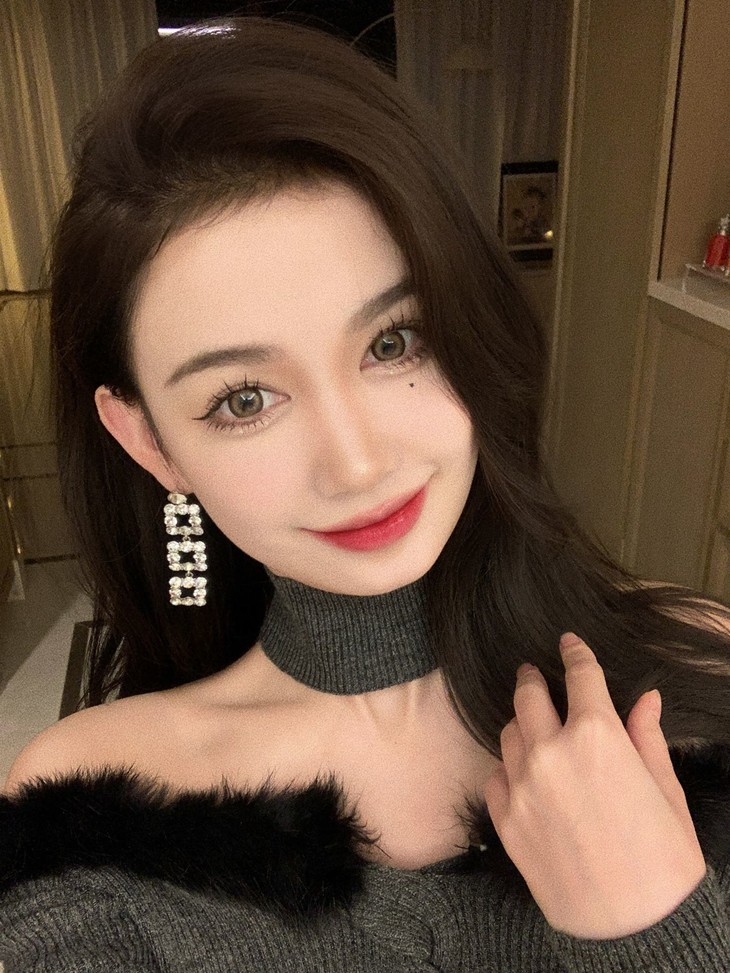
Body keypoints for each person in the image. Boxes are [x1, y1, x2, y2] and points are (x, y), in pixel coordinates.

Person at [1, 16, 728, 972]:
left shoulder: (700, 677)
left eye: (393, 341)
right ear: (149, 441)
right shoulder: (92, 815)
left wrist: (654, 922)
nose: (355, 463)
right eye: (244, 399)